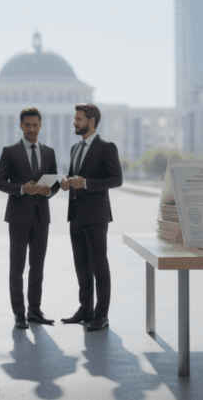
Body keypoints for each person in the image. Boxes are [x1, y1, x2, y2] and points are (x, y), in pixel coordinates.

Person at [0, 107, 59, 329]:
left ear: (41, 126)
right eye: (27, 124)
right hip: (18, 217)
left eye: (35, 124)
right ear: (21, 126)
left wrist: (49, 191)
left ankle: (35, 311)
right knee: (17, 268)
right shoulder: (10, 151)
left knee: (37, 267)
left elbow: (55, 183)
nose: (32, 128)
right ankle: (19, 314)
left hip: (41, 217)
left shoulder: (49, 152)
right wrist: (22, 189)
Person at [59, 103, 122, 332]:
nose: (74, 122)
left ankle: (101, 315)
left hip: (96, 215)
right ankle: (85, 309)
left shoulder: (107, 147)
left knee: (99, 266)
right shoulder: (75, 148)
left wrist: (85, 183)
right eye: (74, 118)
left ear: (91, 121)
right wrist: (67, 181)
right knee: (81, 265)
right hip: (75, 213)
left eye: (79, 118)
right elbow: (76, 175)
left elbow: (116, 179)